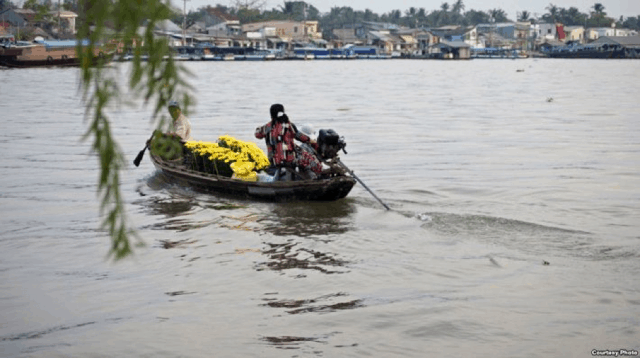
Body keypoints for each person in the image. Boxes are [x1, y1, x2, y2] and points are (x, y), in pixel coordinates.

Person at [255, 104, 322, 179]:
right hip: (290, 162)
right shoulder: (290, 126)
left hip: (273, 162)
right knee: (305, 157)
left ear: (271, 115)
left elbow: (257, 134)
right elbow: (301, 137)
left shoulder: (267, 128)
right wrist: (313, 143)